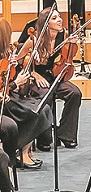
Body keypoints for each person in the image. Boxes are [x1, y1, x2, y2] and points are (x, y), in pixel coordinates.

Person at [16, 8, 82, 150]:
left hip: (56, 75)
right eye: (54, 18)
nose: (59, 20)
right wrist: (34, 74)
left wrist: (72, 44)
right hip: (38, 78)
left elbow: (67, 56)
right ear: (46, 23)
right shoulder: (35, 39)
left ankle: (65, 135)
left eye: (59, 17)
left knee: (75, 93)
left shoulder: (63, 35)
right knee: (45, 94)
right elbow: (19, 60)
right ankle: (44, 138)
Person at [0, 18, 52, 171]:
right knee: (34, 112)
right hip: (4, 101)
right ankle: (19, 151)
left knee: (43, 108)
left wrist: (16, 65)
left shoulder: (6, 54)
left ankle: (22, 150)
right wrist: (16, 83)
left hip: (8, 96)